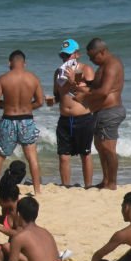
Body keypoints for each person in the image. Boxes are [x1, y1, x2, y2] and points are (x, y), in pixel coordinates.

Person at [0, 50, 44, 193]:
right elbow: (40, 102)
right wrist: (27, 107)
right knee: (32, 157)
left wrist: (4, 104)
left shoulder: (4, 79)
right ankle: (37, 190)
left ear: (9, 63)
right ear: (24, 63)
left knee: (0, 156)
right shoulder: (33, 78)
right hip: (26, 120)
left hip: (8, 120)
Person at [74, 38, 125, 190]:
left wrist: (84, 96)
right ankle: (106, 180)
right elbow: (97, 86)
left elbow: (104, 91)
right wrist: (84, 83)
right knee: (100, 146)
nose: (91, 60)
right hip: (102, 112)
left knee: (108, 147)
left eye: (93, 57)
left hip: (111, 111)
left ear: (102, 52)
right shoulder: (103, 66)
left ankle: (112, 183)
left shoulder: (112, 65)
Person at [48, 39, 96, 187]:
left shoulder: (86, 70)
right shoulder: (58, 72)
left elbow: (91, 93)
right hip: (64, 119)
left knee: (85, 154)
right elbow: (58, 95)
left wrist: (73, 81)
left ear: (77, 54)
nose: (65, 59)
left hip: (83, 118)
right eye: (63, 56)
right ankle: (66, 186)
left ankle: (88, 186)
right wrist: (52, 100)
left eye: (68, 55)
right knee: (63, 156)